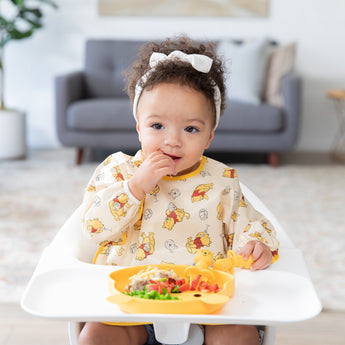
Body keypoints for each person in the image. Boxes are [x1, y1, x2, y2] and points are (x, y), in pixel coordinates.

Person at [78, 35, 279, 345]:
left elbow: (252, 224)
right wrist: (134, 188)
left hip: (208, 305)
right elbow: (92, 227)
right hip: (131, 305)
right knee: (95, 336)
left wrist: (257, 246)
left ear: (209, 137)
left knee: (239, 335)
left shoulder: (221, 181)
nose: (172, 140)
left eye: (191, 129)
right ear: (138, 127)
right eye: (157, 126)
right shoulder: (117, 171)